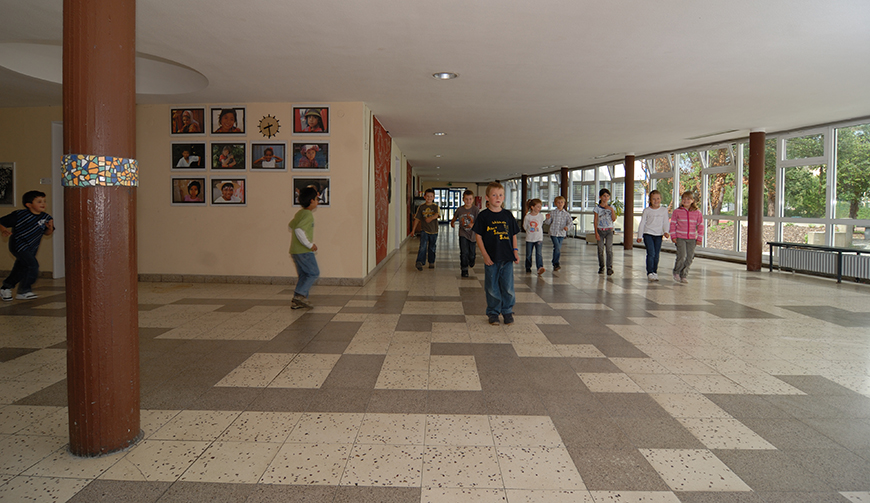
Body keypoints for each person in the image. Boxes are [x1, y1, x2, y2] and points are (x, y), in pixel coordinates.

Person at [473, 182, 520, 325]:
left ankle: (507, 311)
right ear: (487, 197)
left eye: (500, 195)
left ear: (504, 197)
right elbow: (478, 236)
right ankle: (493, 312)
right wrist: (485, 255)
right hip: (491, 258)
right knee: (492, 286)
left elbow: (513, 235)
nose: (498, 197)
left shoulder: (507, 215)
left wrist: (515, 251)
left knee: (508, 287)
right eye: (494, 195)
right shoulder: (483, 216)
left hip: (507, 257)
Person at [0, 190, 54, 301]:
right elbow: (1, 222)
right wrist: (4, 230)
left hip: (32, 247)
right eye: (39, 201)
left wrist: (49, 229)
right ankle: (24, 290)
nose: (43, 204)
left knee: (21, 268)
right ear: (29, 205)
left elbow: (47, 233)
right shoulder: (19, 215)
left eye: (44, 201)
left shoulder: (46, 217)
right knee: (32, 265)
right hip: (19, 245)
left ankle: (5, 288)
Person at [288, 185, 320, 309]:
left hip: (295, 251)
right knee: (313, 273)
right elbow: (298, 230)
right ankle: (300, 295)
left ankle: (297, 301)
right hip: (304, 251)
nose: (317, 202)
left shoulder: (300, 213)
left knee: (304, 275)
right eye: (316, 200)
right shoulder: (307, 215)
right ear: (311, 201)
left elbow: (291, 226)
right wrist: (309, 244)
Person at [670, 190, 704, 283]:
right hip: (680, 237)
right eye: (684, 199)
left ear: (692, 200)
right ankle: (676, 272)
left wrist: (700, 238)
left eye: (688, 199)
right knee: (682, 255)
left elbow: (700, 225)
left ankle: (684, 275)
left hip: (692, 239)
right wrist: (673, 236)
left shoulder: (697, 212)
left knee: (690, 257)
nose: (686, 201)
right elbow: (673, 224)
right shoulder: (677, 211)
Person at [636, 189, 670, 281]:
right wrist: (639, 236)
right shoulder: (647, 211)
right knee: (651, 253)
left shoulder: (663, 210)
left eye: (658, 198)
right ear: (650, 200)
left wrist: (666, 231)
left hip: (658, 235)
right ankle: (650, 272)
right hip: (648, 234)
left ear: (661, 199)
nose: (656, 201)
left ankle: (655, 272)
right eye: (653, 199)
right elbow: (642, 223)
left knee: (656, 254)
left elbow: (666, 222)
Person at [449, 189, 479, 277]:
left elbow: (479, 222)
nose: (468, 201)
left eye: (470, 199)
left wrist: (472, 224)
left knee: (471, 253)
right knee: (464, 252)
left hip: (473, 235)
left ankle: (472, 259)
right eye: (466, 199)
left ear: (473, 200)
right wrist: (452, 222)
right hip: (463, 234)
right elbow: (455, 217)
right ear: (463, 199)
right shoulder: (460, 209)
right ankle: (464, 269)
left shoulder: (475, 209)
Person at [412, 188, 441, 270]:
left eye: (431, 196)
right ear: (424, 197)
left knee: (432, 247)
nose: (429, 198)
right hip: (424, 230)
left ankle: (431, 262)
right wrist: (413, 230)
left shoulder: (435, 206)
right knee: (423, 246)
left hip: (434, 231)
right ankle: (420, 262)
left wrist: (430, 218)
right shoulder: (421, 207)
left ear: (434, 197)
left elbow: (437, 215)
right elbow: (417, 219)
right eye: (427, 196)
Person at [543, 195, 571, 271]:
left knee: (557, 248)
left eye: (561, 202)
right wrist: (547, 219)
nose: (560, 204)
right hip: (553, 233)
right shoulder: (552, 213)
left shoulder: (566, 214)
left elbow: (570, 223)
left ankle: (555, 261)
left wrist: (567, 227)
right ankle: (556, 263)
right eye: (558, 202)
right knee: (557, 247)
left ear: (564, 203)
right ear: (555, 203)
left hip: (561, 234)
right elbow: (548, 223)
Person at [593, 188, 616, 276]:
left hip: (609, 230)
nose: (605, 198)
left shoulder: (611, 207)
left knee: (609, 249)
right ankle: (601, 266)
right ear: (600, 197)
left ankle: (609, 267)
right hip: (600, 230)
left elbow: (613, 219)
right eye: (604, 196)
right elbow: (595, 220)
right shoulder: (597, 208)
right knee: (600, 249)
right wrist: (596, 232)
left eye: (607, 196)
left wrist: (611, 210)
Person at [523, 198, 545, 274]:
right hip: (529, 238)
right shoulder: (528, 217)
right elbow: (525, 226)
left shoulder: (541, 216)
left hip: (538, 238)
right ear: (532, 207)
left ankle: (540, 267)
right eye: (538, 206)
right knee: (529, 254)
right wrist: (530, 231)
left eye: (540, 206)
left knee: (539, 253)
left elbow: (540, 225)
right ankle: (528, 267)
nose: (539, 208)